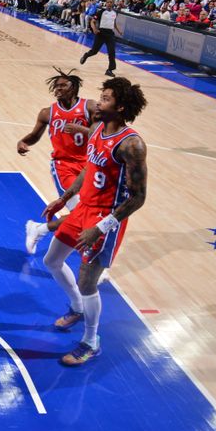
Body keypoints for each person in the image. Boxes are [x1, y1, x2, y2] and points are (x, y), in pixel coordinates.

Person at [41, 77, 148, 365]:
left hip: (106, 216)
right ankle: (76, 307)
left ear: (121, 107)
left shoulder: (132, 145)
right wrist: (65, 198)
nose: (98, 101)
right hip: (82, 207)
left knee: (87, 281)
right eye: (101, 95)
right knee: (51, 260)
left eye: (106, 98)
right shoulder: (98, 128)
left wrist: (100, 228)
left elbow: (138, 198)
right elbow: (90, 167)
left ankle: (91, 341)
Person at [17, 68, 96, 254]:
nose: (58, 89)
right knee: (81, 212)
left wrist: (82, 130)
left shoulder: (89, 107)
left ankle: (39, 229)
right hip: (63, 166)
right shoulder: (47, 112)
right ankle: (89, 256)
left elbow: (99, 134)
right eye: (56, 86)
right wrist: (23, 142)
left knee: (89, 213)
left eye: (63, 86)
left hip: (88, 166)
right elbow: (35, 136)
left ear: (74, 88)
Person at [80, 0, 123, 77]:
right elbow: (92, 21)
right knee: (94, 51)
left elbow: (114, 23)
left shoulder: (114, 13)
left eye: (111, 2)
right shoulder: (101, 12)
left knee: (112, 52)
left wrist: (119, 31)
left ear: (113, 3)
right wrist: (94, 29)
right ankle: (86, 55)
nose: (109, 3)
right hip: (101, 33)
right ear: (106, 3)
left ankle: (109, 70)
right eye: (108, 2)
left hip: (110, 34)